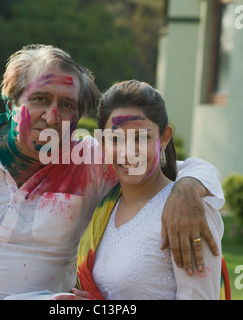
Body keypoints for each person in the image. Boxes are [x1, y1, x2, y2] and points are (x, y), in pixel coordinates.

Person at [0, 45, 224, 300]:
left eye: (67, 105)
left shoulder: (91, 160)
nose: (52, 116)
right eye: (40, 99)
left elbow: (161, 164)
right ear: (11, 104)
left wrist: (188, 187)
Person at [61, 80, 223, 300]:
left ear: (164, 138)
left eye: (141, 138)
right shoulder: (106, 205)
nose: (129, 152)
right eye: (116, 139)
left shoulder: (186, 210)